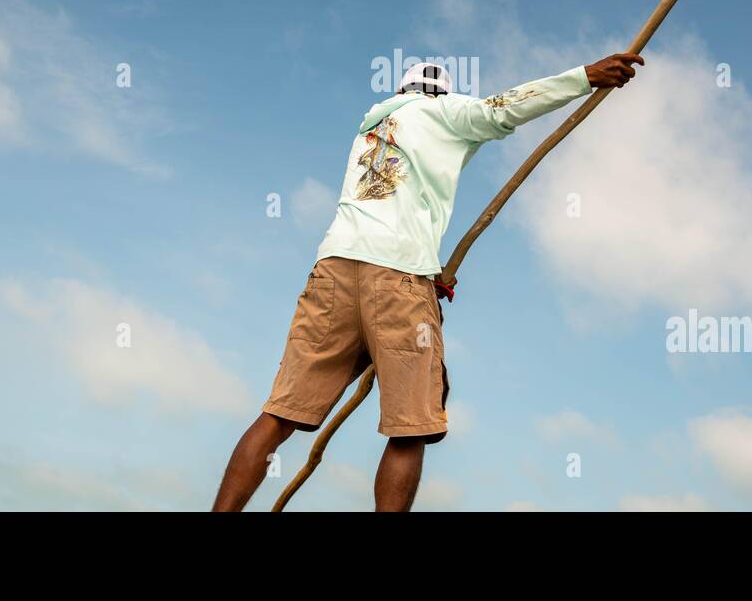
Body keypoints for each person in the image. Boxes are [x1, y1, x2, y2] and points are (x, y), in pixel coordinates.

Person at [212, 53, 644, 511]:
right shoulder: (445, 111)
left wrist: (428, 270)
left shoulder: (372, 127)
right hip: (399, 276)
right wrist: (583, 78)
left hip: (334, 270)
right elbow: (505, 106)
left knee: (279, 414)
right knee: (410, 426)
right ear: (440, 94)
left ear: (401, 91)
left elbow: (395, 201)